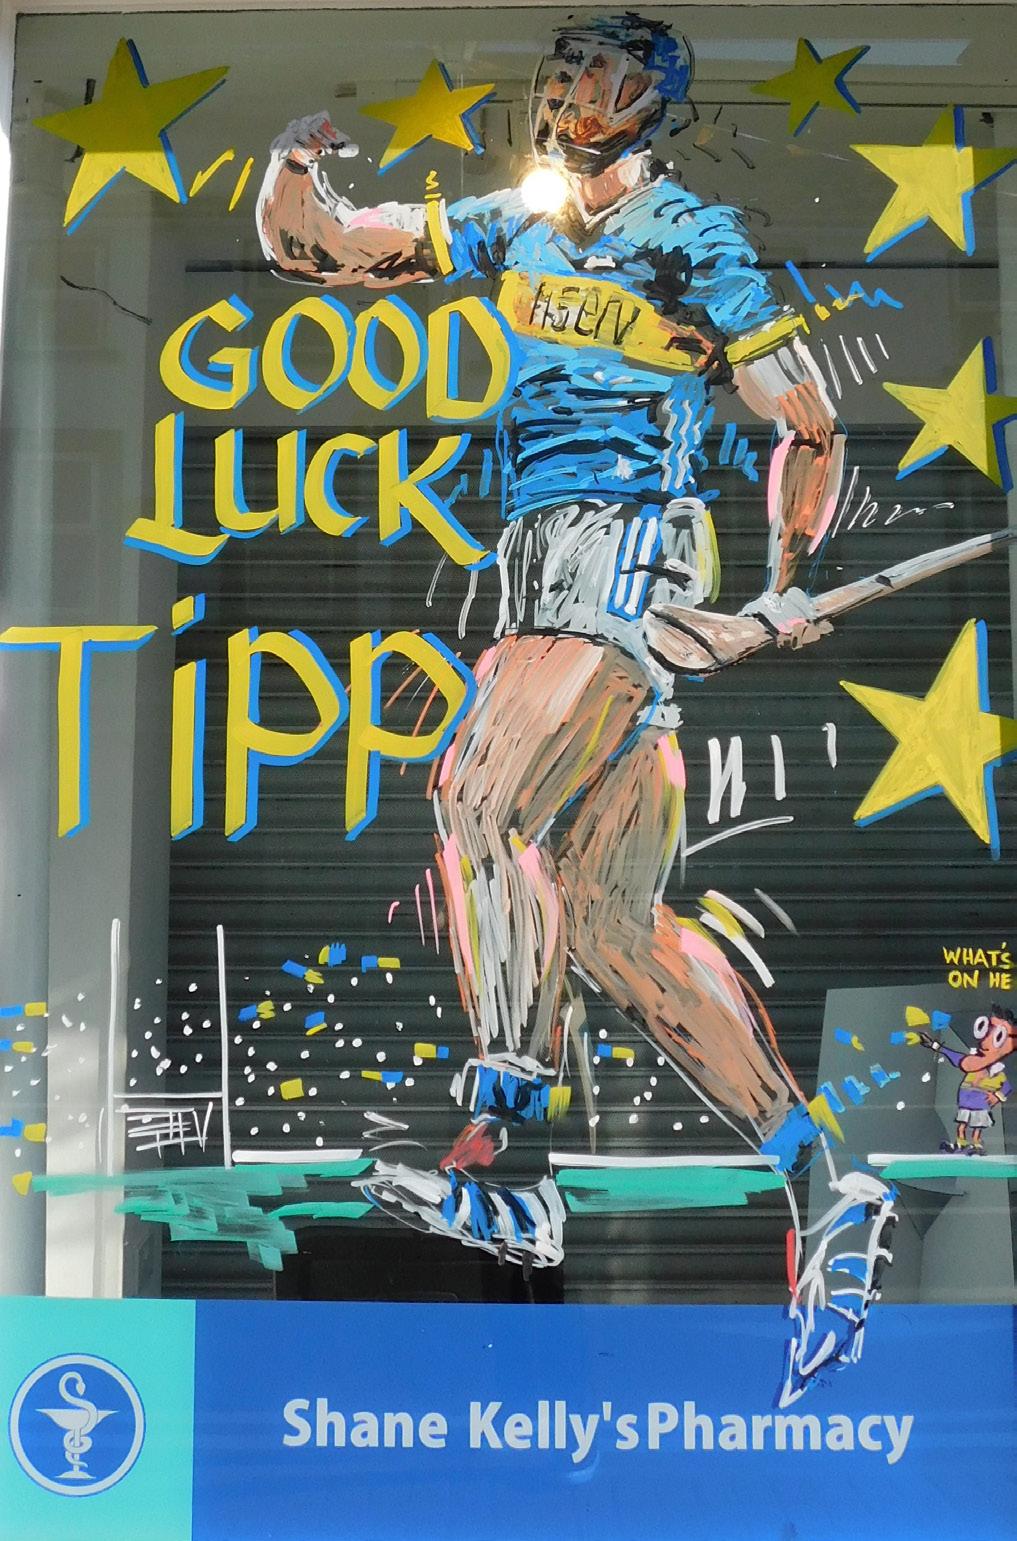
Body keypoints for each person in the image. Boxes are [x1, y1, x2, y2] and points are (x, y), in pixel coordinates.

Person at [257, 11, 892, 1403]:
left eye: (596, 70)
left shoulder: (692, 237)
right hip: (541, 559)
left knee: (478, 792)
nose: (564, 88)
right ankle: (824, 1176)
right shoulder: (524, 223)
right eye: (557, 68)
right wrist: (291, 177)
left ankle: (510, 1157)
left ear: (649, 98)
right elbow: (333, 248)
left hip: (631, 551)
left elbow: (804, 422)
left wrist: (784, 586)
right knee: (611, 928)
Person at [916, 1006, 1016, 1153]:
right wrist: (934, 1045)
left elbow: (1007, 1087)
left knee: (977, 1126)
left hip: (981, 1102)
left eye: (997, 1036)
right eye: (984, 1030)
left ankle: (976, 1144)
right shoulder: (972, 1062)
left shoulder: (998, 1071)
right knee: (962, 1124)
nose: (985, 1042)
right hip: (966, 1099)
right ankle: (960, 1143)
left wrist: (996, 1096)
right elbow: (956, 1057)